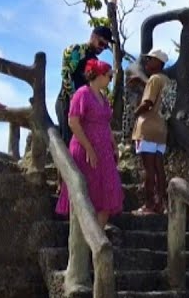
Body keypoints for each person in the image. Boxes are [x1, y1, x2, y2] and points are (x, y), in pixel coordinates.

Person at [55, 59, 124, 229]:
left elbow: (106, 122)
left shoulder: (104, 98)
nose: (110, 79)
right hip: (84, 148)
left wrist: (113, 144)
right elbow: (73, 122)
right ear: (99, 75)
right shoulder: (82, 94)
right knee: (85, 190)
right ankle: (82, 241)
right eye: (108, 76)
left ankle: (97, 241)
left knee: (108, 190)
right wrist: (89, 148)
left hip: (104, 151)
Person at [130, 48, 171, 215]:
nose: (147, 62)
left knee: (148, 169)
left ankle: (148, 205)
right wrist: (143, 83)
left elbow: (148, 103)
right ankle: (161, 203)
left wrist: (135, 113)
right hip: (161, 129)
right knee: (159, 168)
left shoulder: (154, 79)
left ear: (159, 63)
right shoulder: (166, 80)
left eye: (150, 59)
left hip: (147, 128)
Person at [57, 26, 113, 143]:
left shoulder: (95, 61)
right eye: (101, 43)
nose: (102, 48)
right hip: (67, 101)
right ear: (93, 36)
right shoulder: (76, 50)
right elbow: (66, 75)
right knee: (69, 141)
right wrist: (74, 99)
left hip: (84, 106)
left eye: (106, 46)